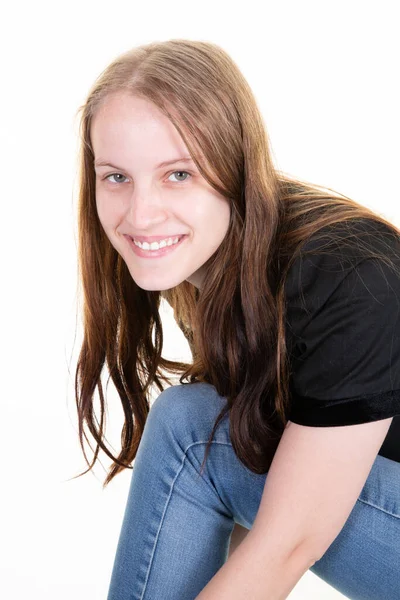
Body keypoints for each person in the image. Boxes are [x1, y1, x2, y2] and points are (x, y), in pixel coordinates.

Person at [73, 39, 400, 599]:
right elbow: (253, 510)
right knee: (200, 428)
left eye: (178, 174)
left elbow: (289, 542)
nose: (140, 213)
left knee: (191, 429)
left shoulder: (347, 273)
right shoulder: (222, 270)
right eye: (116, 176)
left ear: (236, 166)